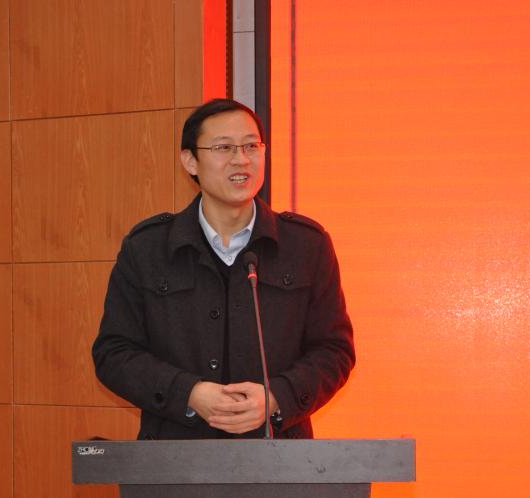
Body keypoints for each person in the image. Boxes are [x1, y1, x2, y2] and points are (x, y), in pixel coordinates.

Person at [92, 98, 354, 439]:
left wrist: (276, 398)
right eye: (224, 148)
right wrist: (188, 393)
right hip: (175, 454)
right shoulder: (147, 248)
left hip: (278, 456)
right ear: (190, 161)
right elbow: (114, 354)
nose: (241, 159)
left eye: (251, 146)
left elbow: (334, 351)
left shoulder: (306, 245)